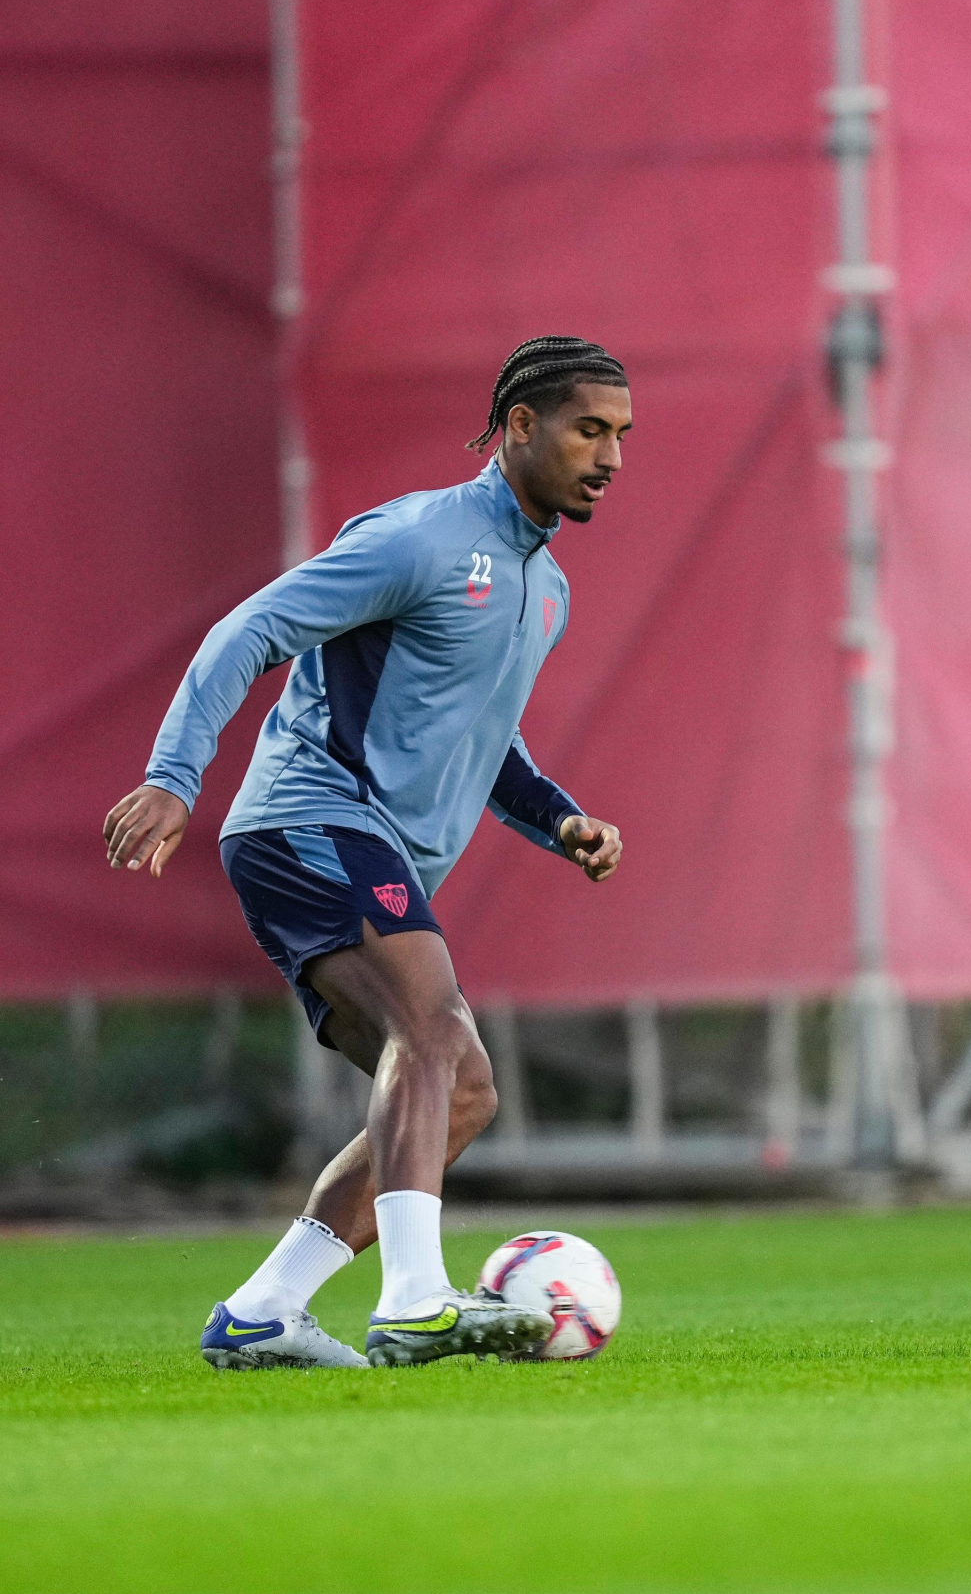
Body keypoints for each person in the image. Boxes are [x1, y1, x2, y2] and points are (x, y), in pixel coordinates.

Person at [104, 337, 629, 1370]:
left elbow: (488, 742)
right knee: (430, 1029)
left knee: (460, 1087)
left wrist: (560, 820)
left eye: (619, 435)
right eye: (587, 429)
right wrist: (176, 774)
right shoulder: (421, 537)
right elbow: (251, 627)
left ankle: (263, 1310)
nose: (608, 455)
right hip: (309, 816)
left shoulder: (549, 590)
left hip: (364, 841)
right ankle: (416, 1300)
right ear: (521, 425)